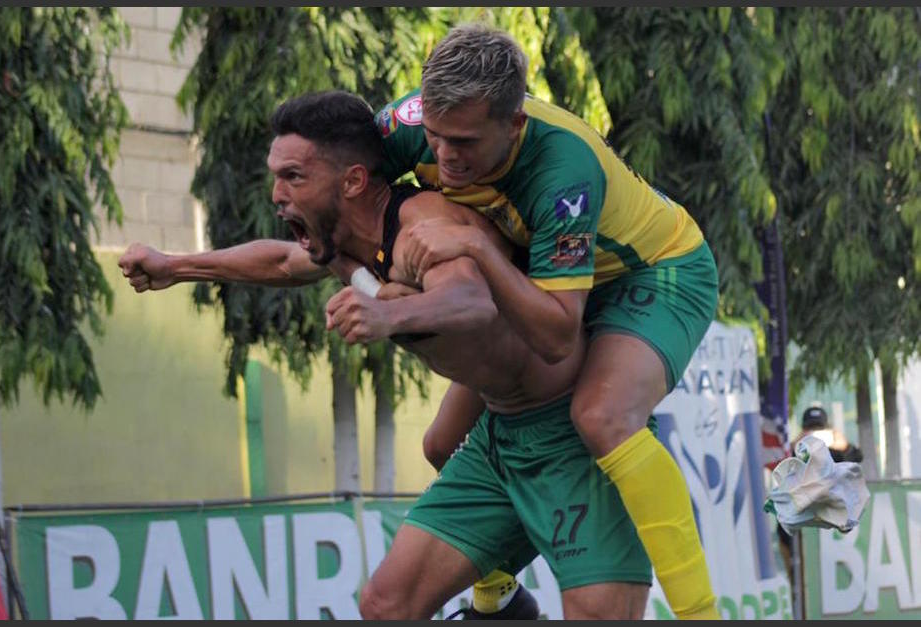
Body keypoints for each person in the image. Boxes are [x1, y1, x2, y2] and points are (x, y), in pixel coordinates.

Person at [120, 91, 653, 619]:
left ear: (352, 181)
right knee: (386, 606)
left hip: (566, 434)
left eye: (294, 177)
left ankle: (511, 596)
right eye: (275, 175)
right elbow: (282, 263)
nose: (277, 194)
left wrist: (388, 316)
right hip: (501, 436)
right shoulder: (342, 239)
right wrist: (176, 264)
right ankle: (505, 596)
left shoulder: (420, 224)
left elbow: (472, 300)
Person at [373, 23, 721, 619]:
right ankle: (501, 598)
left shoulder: (562, 168)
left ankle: (703, 614)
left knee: (600, 414)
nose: (444, 156)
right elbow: (344, 189)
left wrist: (478, 251)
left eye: (463, 142)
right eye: (434, 136)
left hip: (654, 273)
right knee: (439, 443)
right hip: (553, 281)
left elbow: (559, 334)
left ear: (514, 125)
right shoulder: (406, 125)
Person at [777, 405, 863, 598]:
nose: (817, 437)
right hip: (806, 515)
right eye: (811, 431)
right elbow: (784, 470)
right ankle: (795, 581)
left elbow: (857, 458)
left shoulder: (835, 451)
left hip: (836, 516)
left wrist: (844, 445)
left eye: (820, 430)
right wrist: (796, 446)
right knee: (784, 529)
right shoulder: (799, 451)